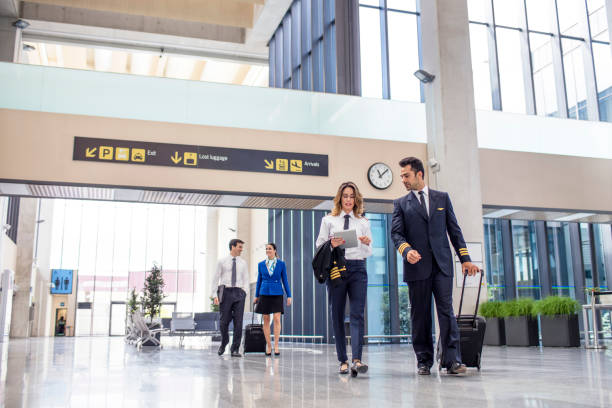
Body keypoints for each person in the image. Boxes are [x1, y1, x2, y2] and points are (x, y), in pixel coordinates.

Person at [391, 157, 479, 375]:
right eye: (401, 176)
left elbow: (454, 230)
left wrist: (465, 258)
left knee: (446, 313)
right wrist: (405, 250)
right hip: (416, 267)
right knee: (420, 316)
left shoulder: (442, 198)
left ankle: (452, 360)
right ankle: (423, 360)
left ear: (420, 174)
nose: (403, 179)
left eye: (406, 175)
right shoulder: (401, 204)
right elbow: (396, 234)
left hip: (442, 266)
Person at [316, 181, 373, 377]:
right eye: (345, 196)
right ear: (339, 198)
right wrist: (332, 244)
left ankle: (357, 359)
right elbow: (319, 246)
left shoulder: (364, 222)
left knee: (357, 314)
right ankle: (343, 360)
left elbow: (368, 252)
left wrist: (366, 242)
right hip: (337, 269)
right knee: (337, 314)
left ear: (356, 199)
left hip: (358, 268)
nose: (348, 200)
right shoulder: (328, 220)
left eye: (351, 196)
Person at [211, 239, 249, 357]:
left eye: (242, 247)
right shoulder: (222, 261)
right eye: (239, 247)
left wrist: (245, 292)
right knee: (223, 321)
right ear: (232, 247)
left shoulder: (243, 263)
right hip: (226, 292)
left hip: (239, 292)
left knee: (239, 322)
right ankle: (224, 341)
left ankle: (235, 349)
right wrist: (214, 295)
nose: (241, 249)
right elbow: (215, 278)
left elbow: (246, 279)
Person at [254, 243, 292, 356]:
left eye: (270, 248)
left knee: (276, 318)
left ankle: (276, 345)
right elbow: (258, 281)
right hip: (264, 293)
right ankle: (268, 346)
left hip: (277, 293)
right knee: (266, 319)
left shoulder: (281, 264)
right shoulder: (261, 264)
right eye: (266, 249)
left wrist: (289, 295)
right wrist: (256, 296)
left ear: (275, 250)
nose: (267, 250)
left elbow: (285, 280)